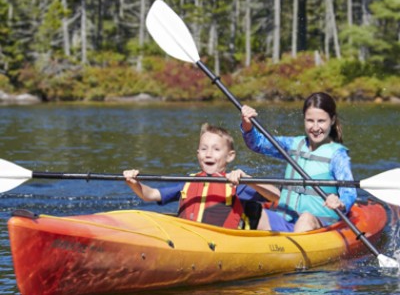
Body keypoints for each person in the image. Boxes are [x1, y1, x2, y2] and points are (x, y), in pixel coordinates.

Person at [236, 92, 357, 233]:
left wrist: (340, 203)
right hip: (285, 218)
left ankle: (292, 251)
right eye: (310, 120)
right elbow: (258, 144)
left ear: (332, 120)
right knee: (251, 211)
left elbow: (349, 191)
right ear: (304, 119)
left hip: (318, 223)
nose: (315, 127)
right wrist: (247, 125)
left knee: (305, 218)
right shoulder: (294, 144)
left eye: (321, 121)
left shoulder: (337, 155)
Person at [123, 123, 280, 230]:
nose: (209, 154)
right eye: (204, 149)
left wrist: (248, 179)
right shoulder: (187, 183)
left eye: (216, 149)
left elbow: (275, 196)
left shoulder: (236, 184)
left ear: (230, 156)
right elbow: (150, 195)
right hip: (189, 239)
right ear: (198, 154)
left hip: (221, 243)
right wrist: (133, 183)